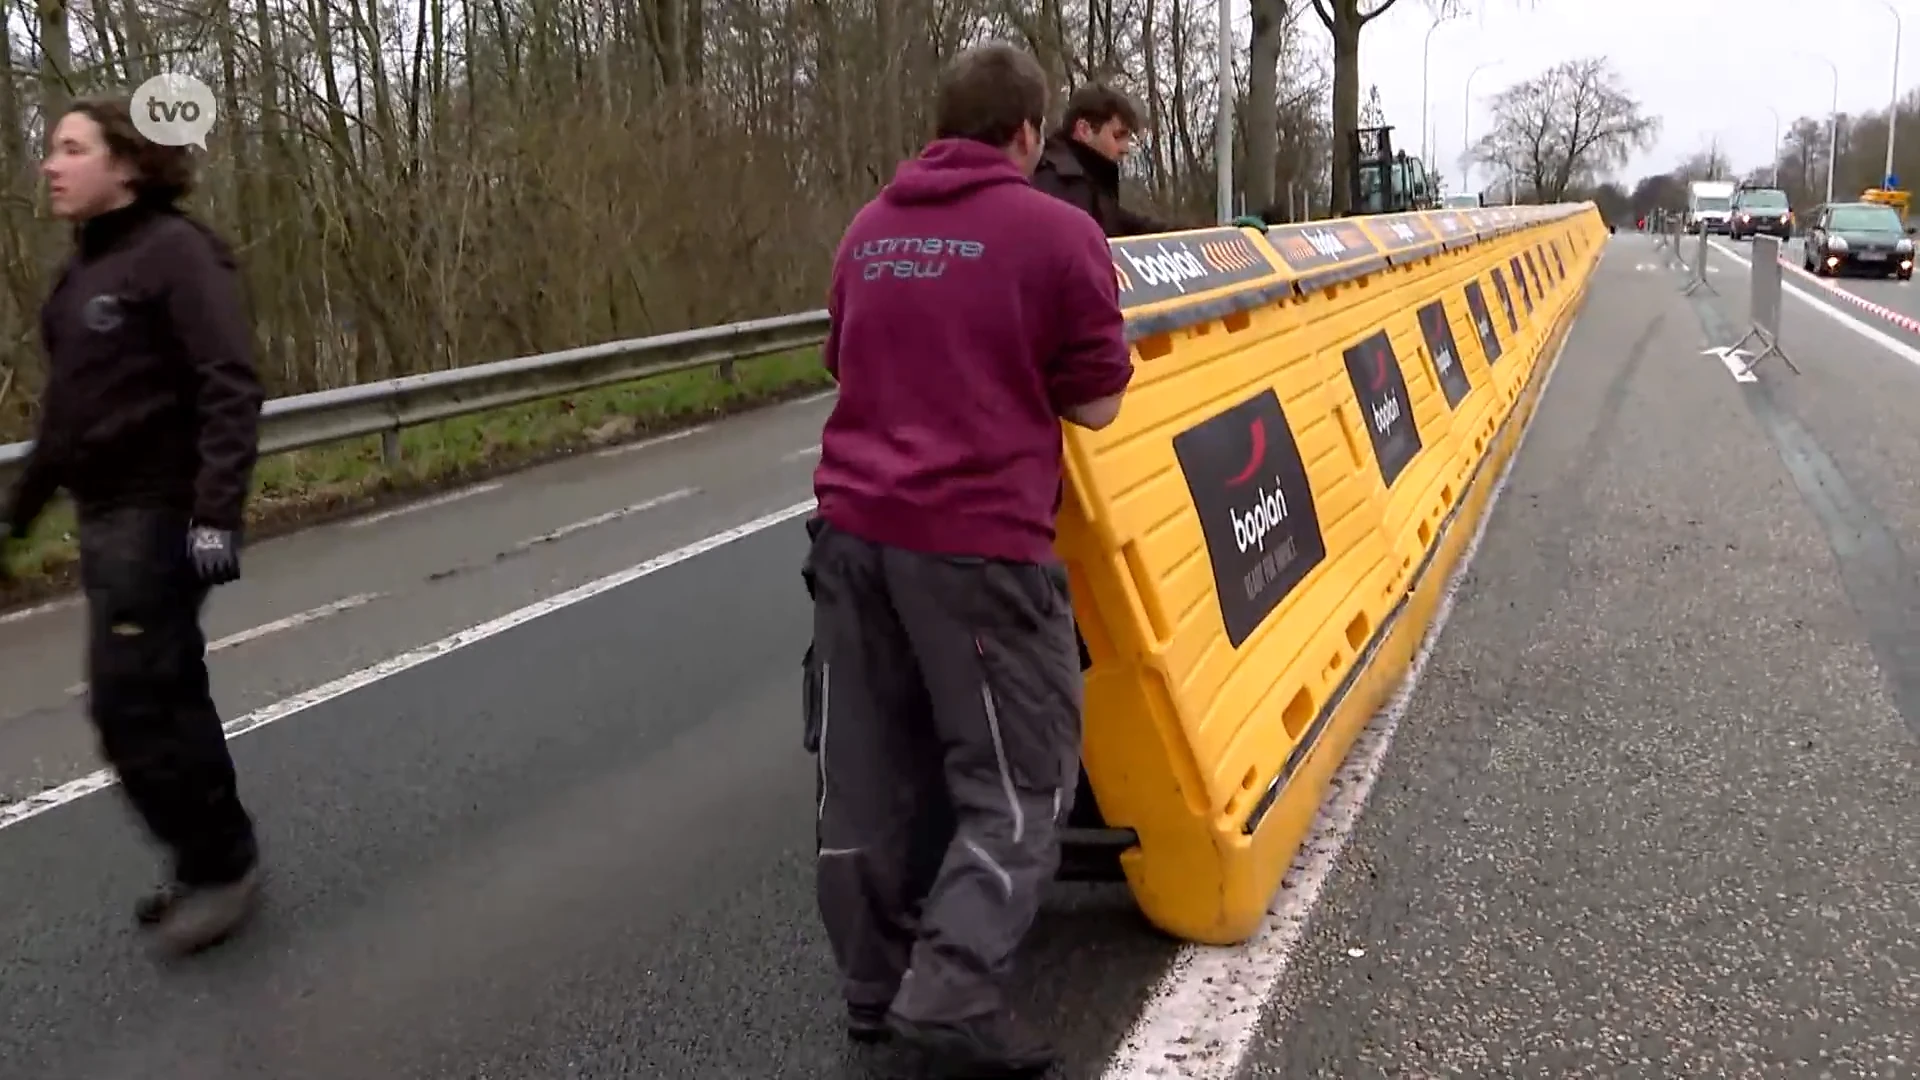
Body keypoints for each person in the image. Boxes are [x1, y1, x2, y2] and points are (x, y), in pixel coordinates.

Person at [802, 42, 1133, 1078]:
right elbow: (1097, 397)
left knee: (865, 774)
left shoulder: (868, 231)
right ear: (1030, 132)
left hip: (851, 541)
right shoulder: (1056, 233)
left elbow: (841, 358)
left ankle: (876, 988)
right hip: (978, 552)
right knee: (1021, 776)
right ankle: (949, 993)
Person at [0, 94, 266, 956]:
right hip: (106, 521)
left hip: (163, 518)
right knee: (171, 695)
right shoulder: (80, 278)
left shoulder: (176, 254)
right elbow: (68, 421)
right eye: (50, 148)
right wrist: (18, 519)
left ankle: (220, 868)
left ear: (125, 163)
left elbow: (230, 381)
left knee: (129, 707)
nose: (51, 163)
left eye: (71, 148)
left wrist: (216, 517)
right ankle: (214, 858)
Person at [1030, 82, 1176, 239]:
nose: (1125, 148)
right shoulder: (1065, 183)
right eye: (1118, 136)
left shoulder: (1087, 178)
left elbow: (1120, 221)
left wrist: (1187, 236)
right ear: (1084, 130)